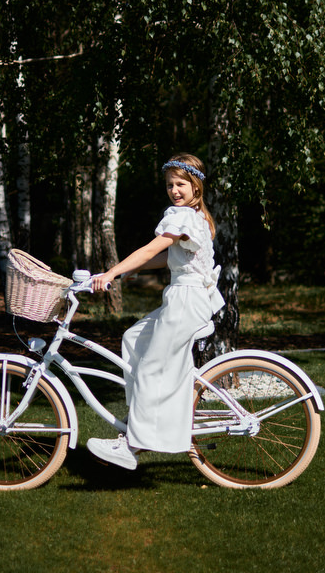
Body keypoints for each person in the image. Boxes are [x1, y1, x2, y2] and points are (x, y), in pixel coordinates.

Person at [87, 153, 225, 470]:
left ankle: (133, 444)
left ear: (196, 186)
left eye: (180, 184)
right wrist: (129, 271)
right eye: (169, 185)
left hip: (186, 301)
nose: (174, 190)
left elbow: (153, 248)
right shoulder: (194, 217)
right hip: (183, 297)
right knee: (133, 339)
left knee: (152, 367)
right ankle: (141, 418)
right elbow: (168, 258)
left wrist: (111, 272)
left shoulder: (184, 216)